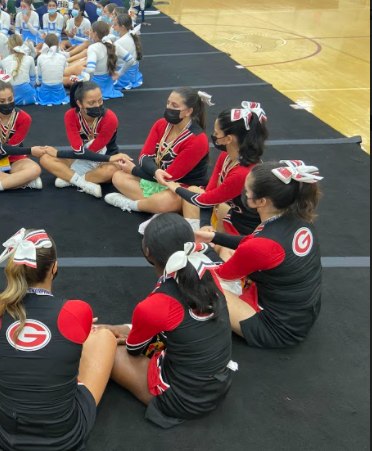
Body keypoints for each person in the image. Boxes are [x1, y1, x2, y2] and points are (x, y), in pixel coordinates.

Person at [0, 228, 117, 451]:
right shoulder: (77, 310)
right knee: (105, 337)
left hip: (8, 436)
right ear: (54, 267)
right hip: (65, 436)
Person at [100, 214, 236, 429]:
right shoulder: (206, 270)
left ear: (147, 252)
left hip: (183, 400)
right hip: (218, 384)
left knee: (102, 345)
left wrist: (110, 335)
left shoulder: (156, 304)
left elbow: (135, 350)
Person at [197, 161, 324, 349]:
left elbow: (220, 274)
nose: (244, 194)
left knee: (199, 284)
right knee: (224, 250)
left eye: (247, 192)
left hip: (277, 328)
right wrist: (215, 237)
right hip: (300, 312)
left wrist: (200, 252)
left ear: (261, 201)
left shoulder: (263, 243)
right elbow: (253, 243)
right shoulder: (299, 217)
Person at [105, 88, 213, 217]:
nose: (168, 107)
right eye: (168, 103)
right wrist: (155, 171)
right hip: (155, 177)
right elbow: (144, 157)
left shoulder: (197, 139)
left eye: (174, 105)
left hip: (181, 188)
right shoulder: (161, 124)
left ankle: (132, 205)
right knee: (118, 176)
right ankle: (152, 207)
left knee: (164, 201)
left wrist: (134, 170)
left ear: (188, 111)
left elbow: (170, 177)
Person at [164, 102, 268, 235]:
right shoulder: (226, 156)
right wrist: (205, 224)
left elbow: (204, 200)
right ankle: (198, 233)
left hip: (245, 232)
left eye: (216, 133)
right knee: (194, 190)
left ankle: (199, 237)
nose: (213, 136)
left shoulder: (244, 173)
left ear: (228, 139)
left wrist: (175, 187)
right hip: (232, 216)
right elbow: (209, 194)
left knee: (193, 197)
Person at [39, 81, 120, 198]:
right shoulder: (70, 115)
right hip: (79, 158)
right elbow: (78, 149)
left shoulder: (110, 118)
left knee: (112, 170)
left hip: (105, 159)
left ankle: (70, 178)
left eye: (100, 100)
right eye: (91, 103)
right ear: (80, 103)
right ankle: (83, 183)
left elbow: (93, 151)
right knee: (45, 158)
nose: (97, 105)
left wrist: (57, 153)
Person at [72, 21, 134, 98]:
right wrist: (119, 73)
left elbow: (91, 70)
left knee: (71, 75)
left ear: (94, 34)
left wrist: (87, 82)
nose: (89, 32)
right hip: (108, 86)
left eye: (90, 30)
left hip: (95, 87)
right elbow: (130, 60)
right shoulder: (115, 45)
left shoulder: (93, 48)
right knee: (77, 69)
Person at [1, 34, 36, 105]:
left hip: (10, 97)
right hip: (27, 95)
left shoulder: (3, 61)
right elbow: (33, 82)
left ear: (9, 47)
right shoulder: (30, 59)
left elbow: (3, 82)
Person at [35, 34, 68, 106]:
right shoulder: (62, 57)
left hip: (44, 92)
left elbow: (40, 78)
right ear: (58, 45)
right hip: (59, 92)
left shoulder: (40, 57)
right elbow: (61, 74)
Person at [113, 14, 142, 90]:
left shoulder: (119, 42)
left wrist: (119, 73)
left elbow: (113, 63)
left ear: (122, 27)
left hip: (124, 74)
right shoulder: (130, 35)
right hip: (132, 72)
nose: (112, 27)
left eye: (115, 25)